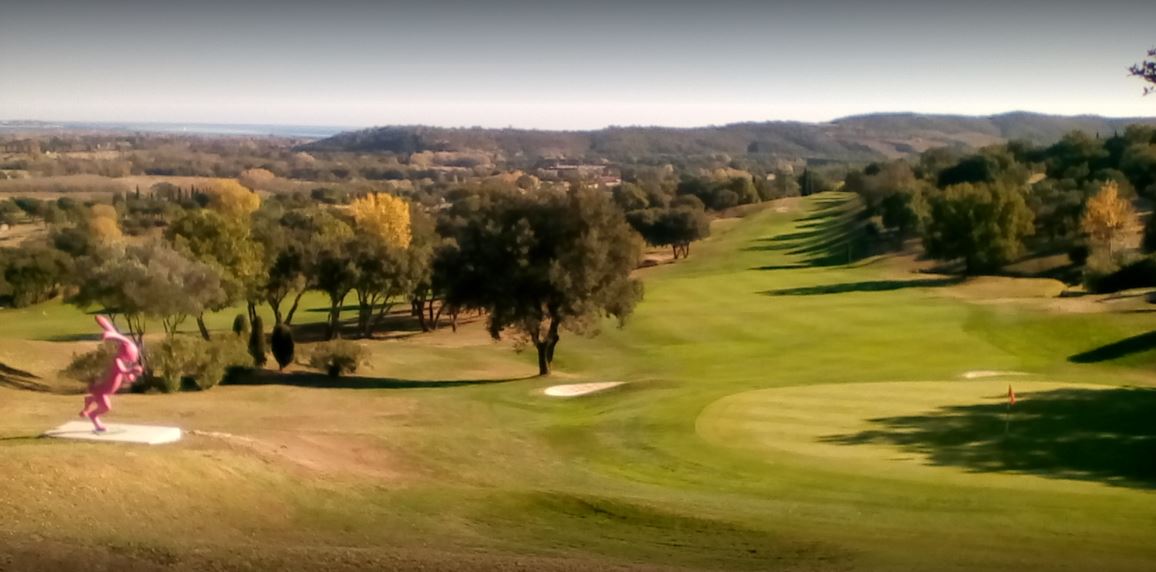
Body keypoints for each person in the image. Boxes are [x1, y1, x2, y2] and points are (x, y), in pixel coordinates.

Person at [80, 316, 142, 432]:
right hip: (104, 390)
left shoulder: (122, 362)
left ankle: (89, 401)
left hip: (105, 389)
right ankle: (93, 416)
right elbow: (123, 371)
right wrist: (132, 371)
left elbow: (125, 376)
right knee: (106, 407)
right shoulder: (117, 361)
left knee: (100, 400)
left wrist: (131, 377)